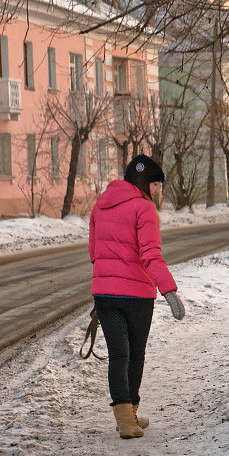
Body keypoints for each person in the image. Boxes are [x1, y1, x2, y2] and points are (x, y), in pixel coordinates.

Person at [88, 154, 186, 438]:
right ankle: (126, 419)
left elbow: (94, 252)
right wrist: (170, 292)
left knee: (119, 355)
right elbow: (151, 255)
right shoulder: (144, 210)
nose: (157, 190)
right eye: (155, 184)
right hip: (137, 297)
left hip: (104, 295)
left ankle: (127, 415)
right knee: (133, 356)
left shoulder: (100, 205)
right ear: (144, 183)